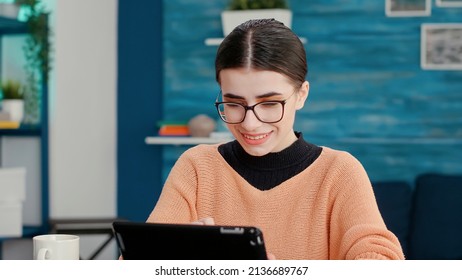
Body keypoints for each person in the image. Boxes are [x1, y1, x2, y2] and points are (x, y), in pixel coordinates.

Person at [147, 19, 404, 260]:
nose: (250, 123)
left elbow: (378, 254)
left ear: (301, 95)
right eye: (234, 104)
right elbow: (136, 259)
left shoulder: (339, 172)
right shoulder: (197, 167)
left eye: (269, 103)